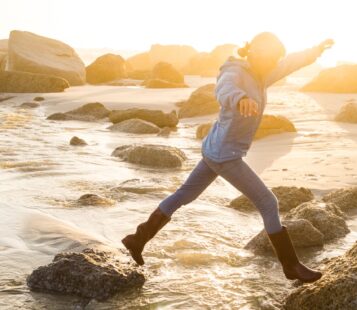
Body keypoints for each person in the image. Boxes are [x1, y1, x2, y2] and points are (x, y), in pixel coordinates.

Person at [122, 32, 334, 283]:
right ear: (255, 53)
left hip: (216, 150)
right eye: (270, 58)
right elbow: (224, 89)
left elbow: (290, 64)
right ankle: (291, 266)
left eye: (276, 58)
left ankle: (137, 240)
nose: (274, 63)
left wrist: (316, 50)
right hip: (225, 156)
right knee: (268, 203)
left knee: (183, 195)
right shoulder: (235, 71)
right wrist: (240, 98)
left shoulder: (262, 73)